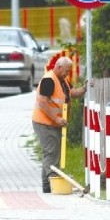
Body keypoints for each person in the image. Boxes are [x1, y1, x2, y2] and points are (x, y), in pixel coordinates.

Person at [32, 56, 88, 193]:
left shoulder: (61, 80)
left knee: (52, 153)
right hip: (45, 123)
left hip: (53, 123)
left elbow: (71, 93)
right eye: (66, 71)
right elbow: (42, 102)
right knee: (51, 153)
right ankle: (51, 183)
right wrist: (56, 119)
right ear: (59, 67)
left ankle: (48, 185)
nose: (68, 74)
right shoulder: (49, 80)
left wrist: (84, 89)